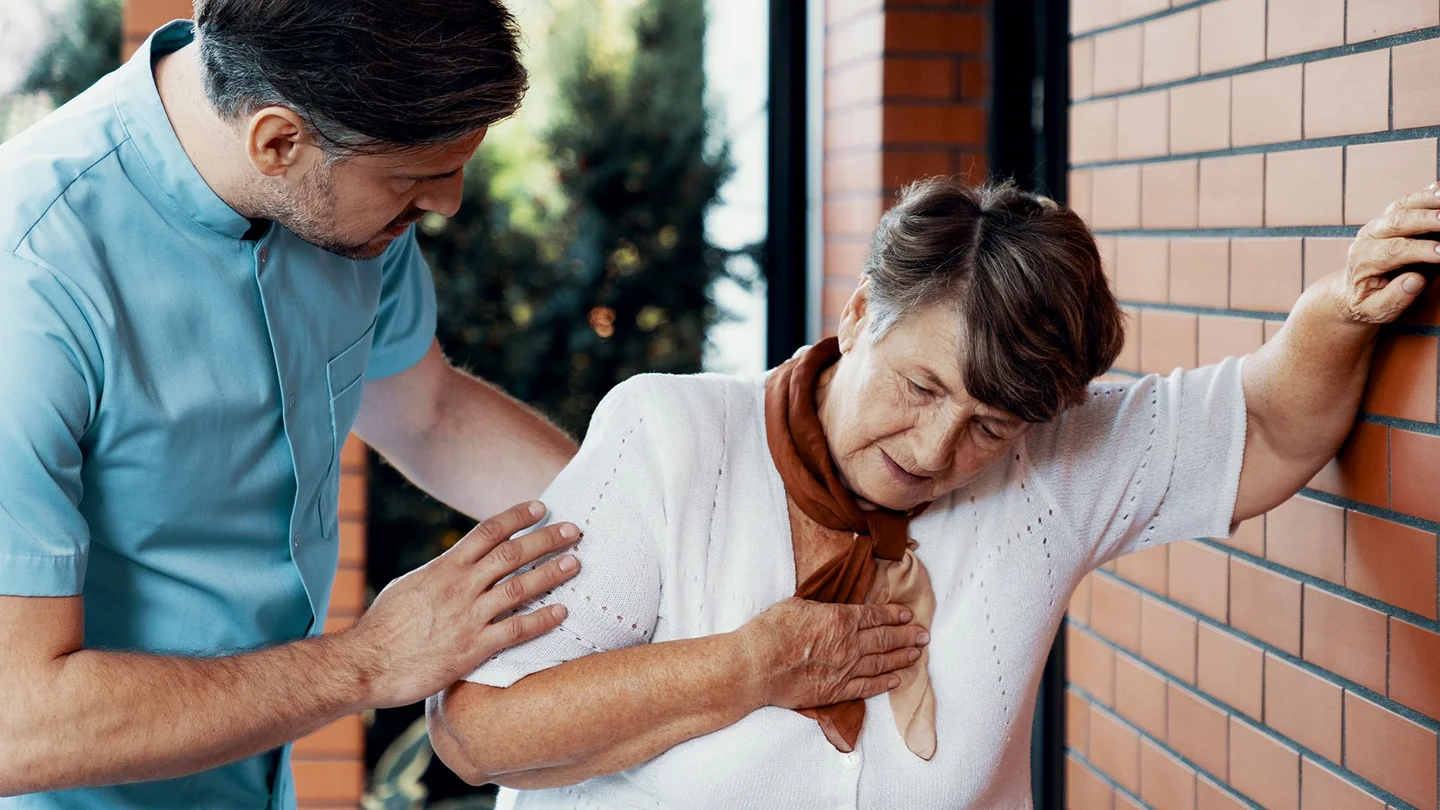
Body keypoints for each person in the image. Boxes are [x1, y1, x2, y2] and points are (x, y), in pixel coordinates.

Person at [0, 2, 926, 807]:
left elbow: (430, 414)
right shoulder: (31, 285)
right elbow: (17, 724)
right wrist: (371, 662)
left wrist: (689, 549)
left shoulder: (334, 191)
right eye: (414, 182)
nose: (445, 205)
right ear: (277, 141)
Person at [428, 177, 1436, 809]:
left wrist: (1341, 312)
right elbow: (476, 731)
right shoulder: (671, 440)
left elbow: (1263, 423)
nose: (938, 446)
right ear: (862, 311)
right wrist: (747, 667)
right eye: (921, 387)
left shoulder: (1049, 466)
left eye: (990, 425)